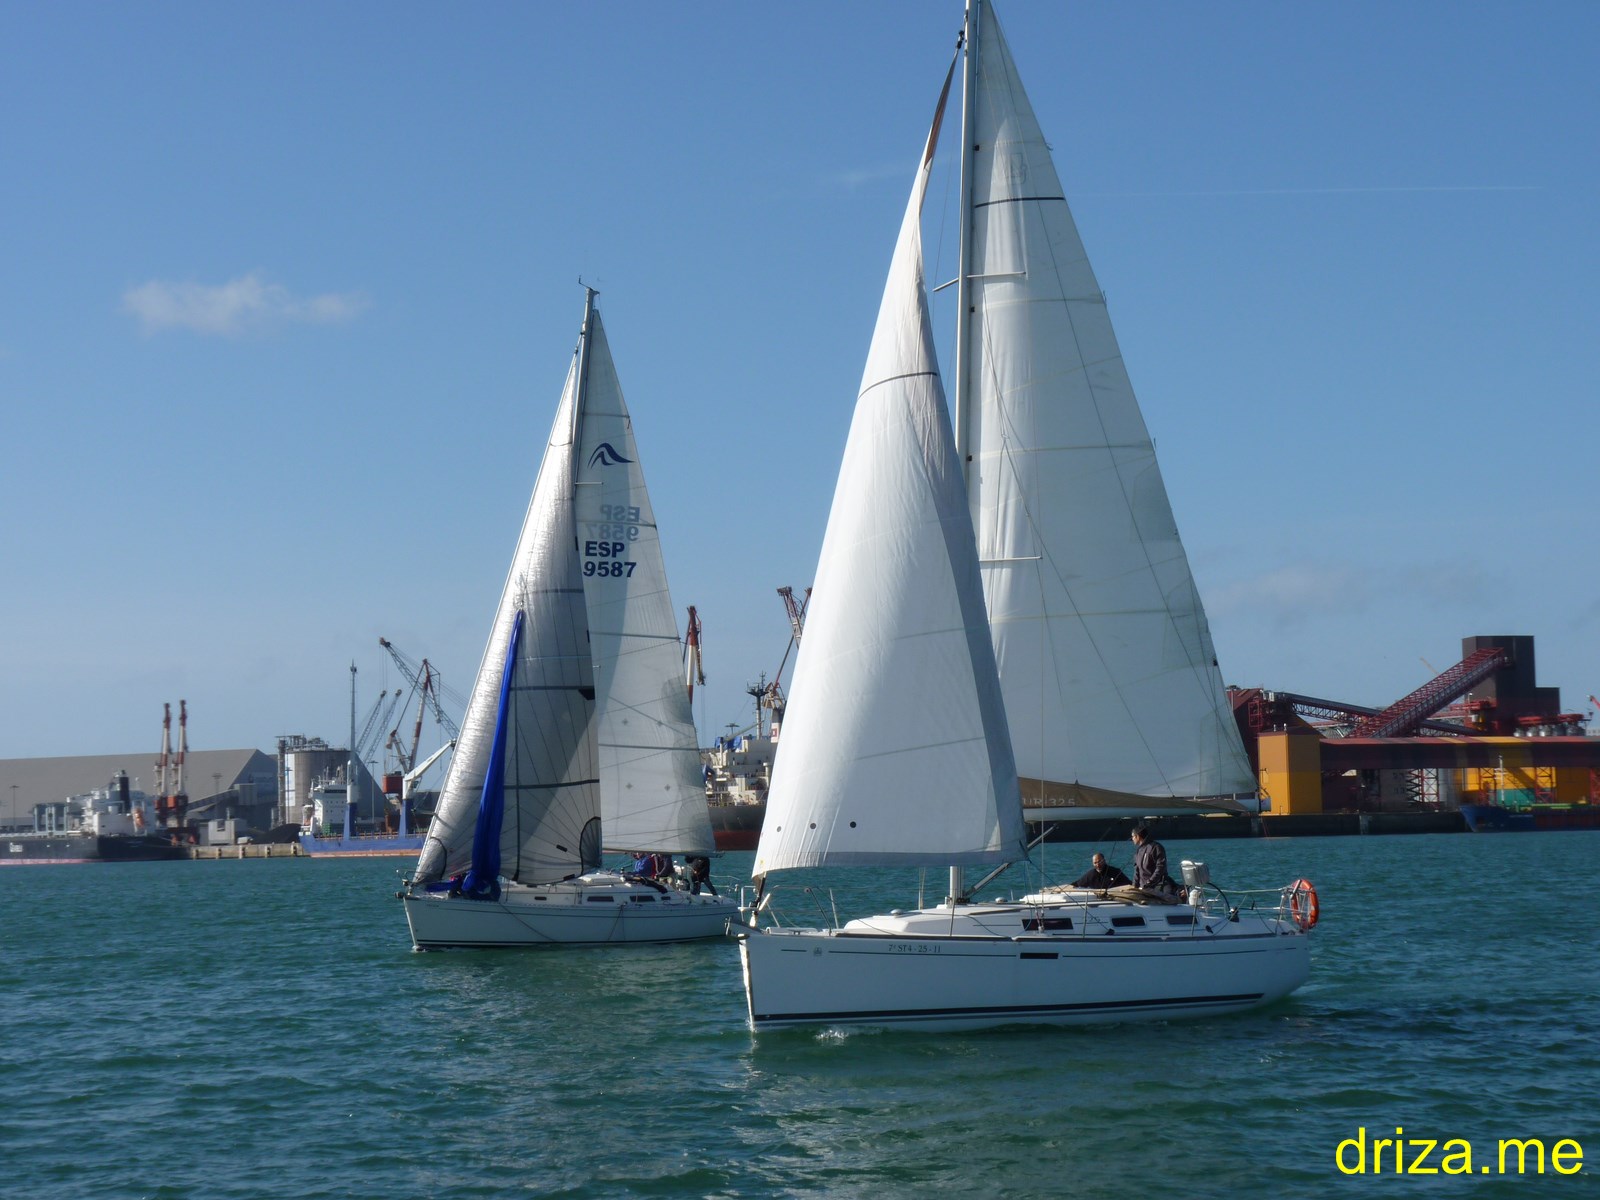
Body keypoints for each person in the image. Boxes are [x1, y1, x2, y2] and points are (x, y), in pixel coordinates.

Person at [1130, 823, 1182, 899]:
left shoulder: (1156, 847)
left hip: (1157, 885)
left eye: (1132, 836)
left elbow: (1160, 868)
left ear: (1138, 836)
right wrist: (1134, 887)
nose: (1132, 839)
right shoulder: (1138, 851)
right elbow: (1136, 871)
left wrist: (1149, 883)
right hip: (1143, 888)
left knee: (1171, 897)